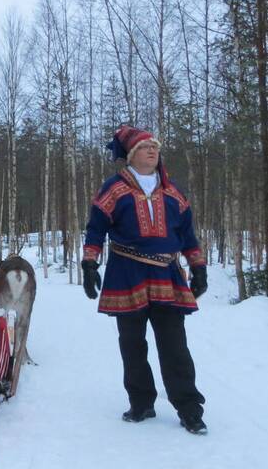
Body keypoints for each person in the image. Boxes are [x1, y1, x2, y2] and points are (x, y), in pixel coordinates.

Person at [82, 124, 209, 435]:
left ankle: (189, 407)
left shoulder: (172, 192)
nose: (152, 151)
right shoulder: (114, 189)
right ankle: (141, 402)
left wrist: (198, 266)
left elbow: (187, 234)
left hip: (167, 273)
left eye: (155, 147)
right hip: (127, 273)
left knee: (175, 344)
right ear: (131, 155)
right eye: (144, 147)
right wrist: (89, 263)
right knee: (132, 343)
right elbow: (96, 229)